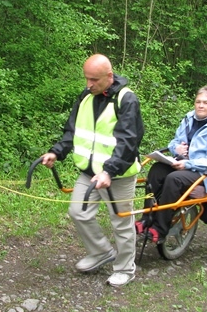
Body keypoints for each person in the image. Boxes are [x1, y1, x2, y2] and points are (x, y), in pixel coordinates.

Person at [40, 54, 144, 287]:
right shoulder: (86, 97)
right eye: (87, 78)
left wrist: (109, 171)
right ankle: (101, 252)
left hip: (117, 175)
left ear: (109, 76)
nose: (89, 84)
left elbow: (129, 142)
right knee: (78, 212)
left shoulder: (127, 100)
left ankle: (125, 268)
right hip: (89, 172)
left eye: (94, 79)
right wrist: (56, 152)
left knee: (121, 221)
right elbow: (72, 131)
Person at [136, 86, 207, 242]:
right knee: (156, 170)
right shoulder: (188, 119)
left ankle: (160, 229)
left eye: (205, 102)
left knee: (174, 179)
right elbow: (174, 142)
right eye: (198, 102)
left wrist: (189, 164)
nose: (201, 105)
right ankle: (147, 217)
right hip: (183, 164)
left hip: (205, 172)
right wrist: (176, 148)